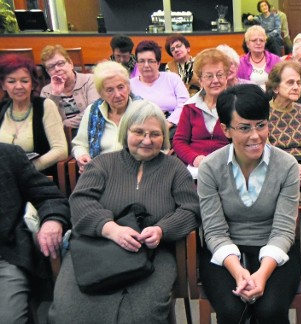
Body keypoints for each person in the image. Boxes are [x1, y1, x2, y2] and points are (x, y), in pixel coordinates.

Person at [49, 100, 200, 323]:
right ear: (125, 131)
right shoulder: (102, 163)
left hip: (152, 255)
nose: (147, 140)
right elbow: (80, 201)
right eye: (139, 132)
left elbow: (190, 209)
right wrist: (109, 229)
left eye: (155, 134)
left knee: (142, 316)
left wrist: (161, 229)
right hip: (95, 250)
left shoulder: (174, 169)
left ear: (164, 138)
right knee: (69, 314)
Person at [198, 84, 300, 323]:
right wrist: (238, 272)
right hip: (224, 249)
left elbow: (284, 229)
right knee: (233, 311)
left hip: (275, 247)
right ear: (226, 129)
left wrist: (262, 275)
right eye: (244, 128)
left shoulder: (287, 165)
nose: (255, 136)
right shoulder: (211, 167)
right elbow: (214, 230)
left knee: (270, 310)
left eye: (261, 125)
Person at [0, 143, 70, 324]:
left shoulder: (7, 155)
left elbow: (49, 196)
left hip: (6, 254)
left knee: (8, 319)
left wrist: (52, 221)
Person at [0, 54, 68, 173]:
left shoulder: (45, 106)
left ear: (33, 84)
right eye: (11, 81)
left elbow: (61, 150)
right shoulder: (2, 109)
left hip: (36, 177)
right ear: (3, 85)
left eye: (25, 81)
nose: (19, 86)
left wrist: (28, 169)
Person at [71, 61, 139, 173]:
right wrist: (82, 155)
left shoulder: (143, 109)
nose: (117, 94)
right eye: (110, 90)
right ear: (101, 93)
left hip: (137, 173)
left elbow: (160, 146)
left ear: (128, 87)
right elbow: (79, 144)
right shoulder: (92, 111)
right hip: (102, 174)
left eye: (121, 87)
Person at [266, 61, 301, 192]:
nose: (296, 87)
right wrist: (293, 168)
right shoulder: (262, 113)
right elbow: (267, 151)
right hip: (277, 170)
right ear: (275, 88)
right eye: (290, 82)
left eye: (298, 83)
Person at [173, 48, 230, 167]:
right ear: (200, 81)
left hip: (227, 165)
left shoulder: (236, 105)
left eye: (219, 75)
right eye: (209, 76)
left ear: (226, 77)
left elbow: (241, 141)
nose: (215, 80)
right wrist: (195, 159)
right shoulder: (190, 107)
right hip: (196, 167)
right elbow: (179, 141)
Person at [40, 45, 100, 130]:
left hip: (90, 131)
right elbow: (46, 120)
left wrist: (64, 125)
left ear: (70, 64)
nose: (57, 69)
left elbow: (94, 111)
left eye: (60, 63)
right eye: (51, 67)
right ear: (47, 72)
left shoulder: (90, 80)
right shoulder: (46, 91)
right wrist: (55, 94)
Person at [129, 40, 189, 123]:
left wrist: (169, 123)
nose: (146, 65)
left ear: (158, 63)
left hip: (172, 126)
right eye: (141, 61)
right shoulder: (129, 85)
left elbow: (184, 103)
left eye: (150, 61)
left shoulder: (172, 78)